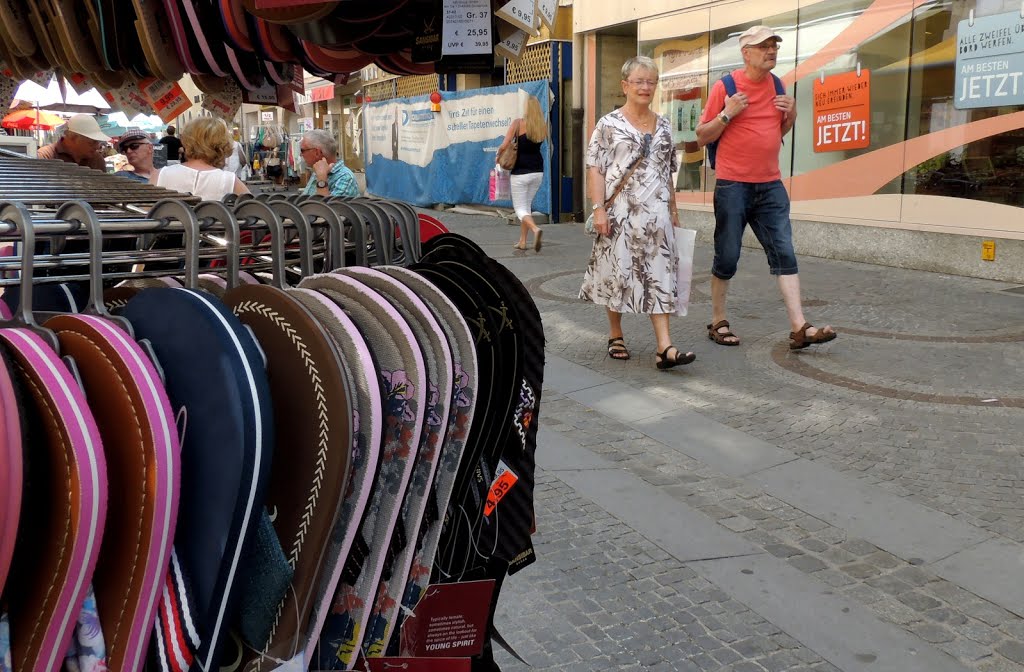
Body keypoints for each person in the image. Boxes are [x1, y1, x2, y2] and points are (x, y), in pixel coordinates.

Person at [695, 25, 836, 350]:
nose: (771, 50)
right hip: (733, 185)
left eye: (774, 45)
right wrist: (728, 114)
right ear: (746, 53)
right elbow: (702, 136)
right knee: (728, 255)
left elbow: (777, 131)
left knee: (784, 252)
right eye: (763, 46)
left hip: (770, 184)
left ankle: (799, 327)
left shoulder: (776, 84)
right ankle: (718, 320)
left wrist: (792, 116)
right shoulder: (725, 87)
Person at [579, 56, 696, 370]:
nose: (645, 87)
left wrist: (673, 210)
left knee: (659, 276)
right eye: (639, 81)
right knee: (616, 274)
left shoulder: (666, 125)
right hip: (619, 213)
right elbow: (596, 168)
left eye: (651, 81)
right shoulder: (608, 124)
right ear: (625, 86)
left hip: (657, 215)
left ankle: (664, 347)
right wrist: (598, 209)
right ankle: (616, 333)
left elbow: (667, 171)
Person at [496, 95, 547, 252]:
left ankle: (535, 230)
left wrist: (498, 155)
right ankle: (523, 241)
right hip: (537, 172)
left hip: (520, 172)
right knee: (526, 207)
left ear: (526, 108)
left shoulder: (518, 123)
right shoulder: (541, 126)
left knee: (519, 209)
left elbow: (505, 145)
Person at [154, 117, 249, 200]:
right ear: (223, 144)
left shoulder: (160, 175)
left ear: (186, 141)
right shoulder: (229, 180)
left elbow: (145, 215)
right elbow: (254, 212)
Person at [36, 114, 110, 171]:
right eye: (92, 142)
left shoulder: (97, 160)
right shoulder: (45, 157)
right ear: (73, 138)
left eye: (98, 142)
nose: (97, 147)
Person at [299, 129, 359, 198]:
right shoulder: (318, 169)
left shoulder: (345, 178)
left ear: (317, 152)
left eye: (303, 150)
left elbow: (325, 208)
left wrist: (321, 178)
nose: (301, 154)